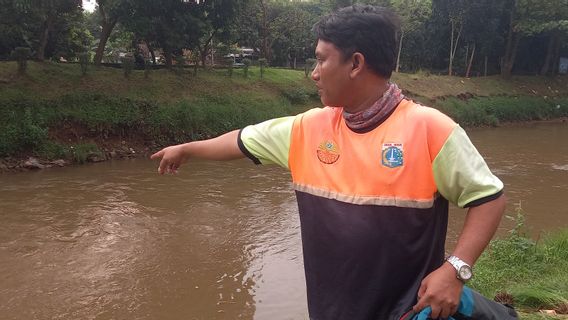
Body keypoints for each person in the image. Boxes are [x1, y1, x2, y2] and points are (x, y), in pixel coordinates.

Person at [151, 5, 506, 320]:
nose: (314, 72)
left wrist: (455, 270)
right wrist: (188, 148)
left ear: (355, 64)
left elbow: (488, 198)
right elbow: (242, 140)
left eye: (321, 59)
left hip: (407, 310)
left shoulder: (430, 129)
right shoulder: (308, 128)